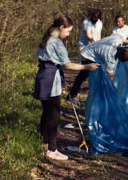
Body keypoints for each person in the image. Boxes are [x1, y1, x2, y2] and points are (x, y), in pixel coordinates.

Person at [33, 14, 99, 161]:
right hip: (50, 79)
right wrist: (87, 66)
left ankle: (44, 143)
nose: (68, 34)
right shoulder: (56, 42)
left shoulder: (46, 39)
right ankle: (52, 149)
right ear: (61, 27)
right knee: (54, 115)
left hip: (43, 76)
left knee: (47, 112)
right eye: (68, 31)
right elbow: (67, 65)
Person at [67, 34, 128, 105]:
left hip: (94, 51)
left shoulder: (119, 38)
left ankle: (96, 98)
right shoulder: (110, 56)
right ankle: (72, 96)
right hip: (88, 55)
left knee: (95, 77)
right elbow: (110, 76)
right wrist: (112, 89)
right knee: (84, 75)